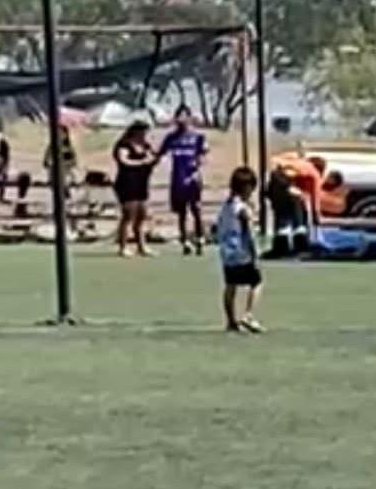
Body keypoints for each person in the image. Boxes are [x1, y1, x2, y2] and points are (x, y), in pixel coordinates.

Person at [216, 166, 264, 334]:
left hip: (227, 253)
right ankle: (248, 315)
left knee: (231, 285)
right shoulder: (243, 209)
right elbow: (249, 232)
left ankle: (230, 321)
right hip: (242, 252)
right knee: (256, 282)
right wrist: (255, 252)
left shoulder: (226, 206)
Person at [159, 106, 209, 255]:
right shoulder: (170, 137)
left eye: (184, 116)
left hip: (193, 176)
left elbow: (203, 155)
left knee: (196, 208)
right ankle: (185, 241)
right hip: (177, 177)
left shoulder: (198, 137)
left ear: (189, 118)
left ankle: (200, 239)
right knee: (181, 211)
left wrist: (197, 164)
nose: (181, 120)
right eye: (178, 117)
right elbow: (160, 153)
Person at [112, 121, 158, 257]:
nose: (144, 135)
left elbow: (153, 157)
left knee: (141, 215)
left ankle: (142, 246)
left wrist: (154, 159)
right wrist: (142, 163)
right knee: (128, 215)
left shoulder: (146, 146)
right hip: (127, 183)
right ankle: (123, 247)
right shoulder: (124, 144)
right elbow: (123, 160)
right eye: (142, 131)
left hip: (142, 183)